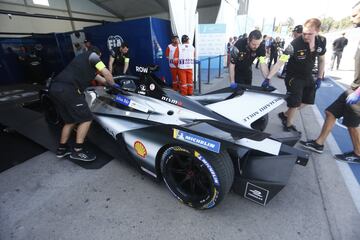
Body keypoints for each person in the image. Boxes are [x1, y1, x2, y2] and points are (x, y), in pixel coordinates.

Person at [300, 2, 360, 163]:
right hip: (353, 87)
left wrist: (358, 92)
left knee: (352, 124)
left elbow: (320, 57)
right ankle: (319, 144)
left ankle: (358, 153)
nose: (352, 17)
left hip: (358, 91)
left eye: (355, 14)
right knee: (331, 112)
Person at [49, 47, 116, 161]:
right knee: (86, 118)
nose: (99, 60)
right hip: (68, 89)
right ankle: (78, 150)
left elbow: (103, 80)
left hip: (55, 89)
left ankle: (62, 149)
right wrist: (114, 87)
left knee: (70, 121)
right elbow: (107, 74)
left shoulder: (85, 65)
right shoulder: (92, 56)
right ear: (98, 54)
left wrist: (111, 84)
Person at [261, 18, 327, 133]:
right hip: (294, 77)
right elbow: (281, 61)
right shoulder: (294, 44)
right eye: (304, 33)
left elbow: (321, 60)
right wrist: (268, 78)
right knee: (295, 102)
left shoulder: (321, 41)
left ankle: (285, 115)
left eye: (309, 34)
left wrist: (320, 77)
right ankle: (288, 125)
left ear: (317, 31)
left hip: (308, 76)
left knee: (308, 101)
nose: (306, 36)